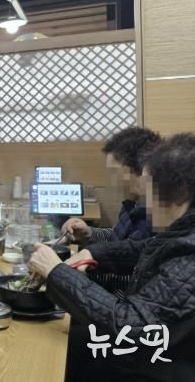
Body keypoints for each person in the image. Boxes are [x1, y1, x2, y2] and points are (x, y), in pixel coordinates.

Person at [28, 133, 195, 381]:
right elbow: (140, 248)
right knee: (56, 339)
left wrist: (56, 272)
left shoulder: (190, 254)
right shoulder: (182, 231)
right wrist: (91, 251)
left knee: (51, 349)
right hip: (153, 349)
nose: (147, 205)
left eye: (151, 190)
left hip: (154, 365)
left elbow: (132, 326)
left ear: (179, 194)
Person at [62, 127, 162, 245]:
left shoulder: (159, 217)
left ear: (139, 169)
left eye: (114, 171)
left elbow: (127, 252)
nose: (111, 179)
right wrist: (89, 232)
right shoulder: (132, 203)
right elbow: (117, 238)